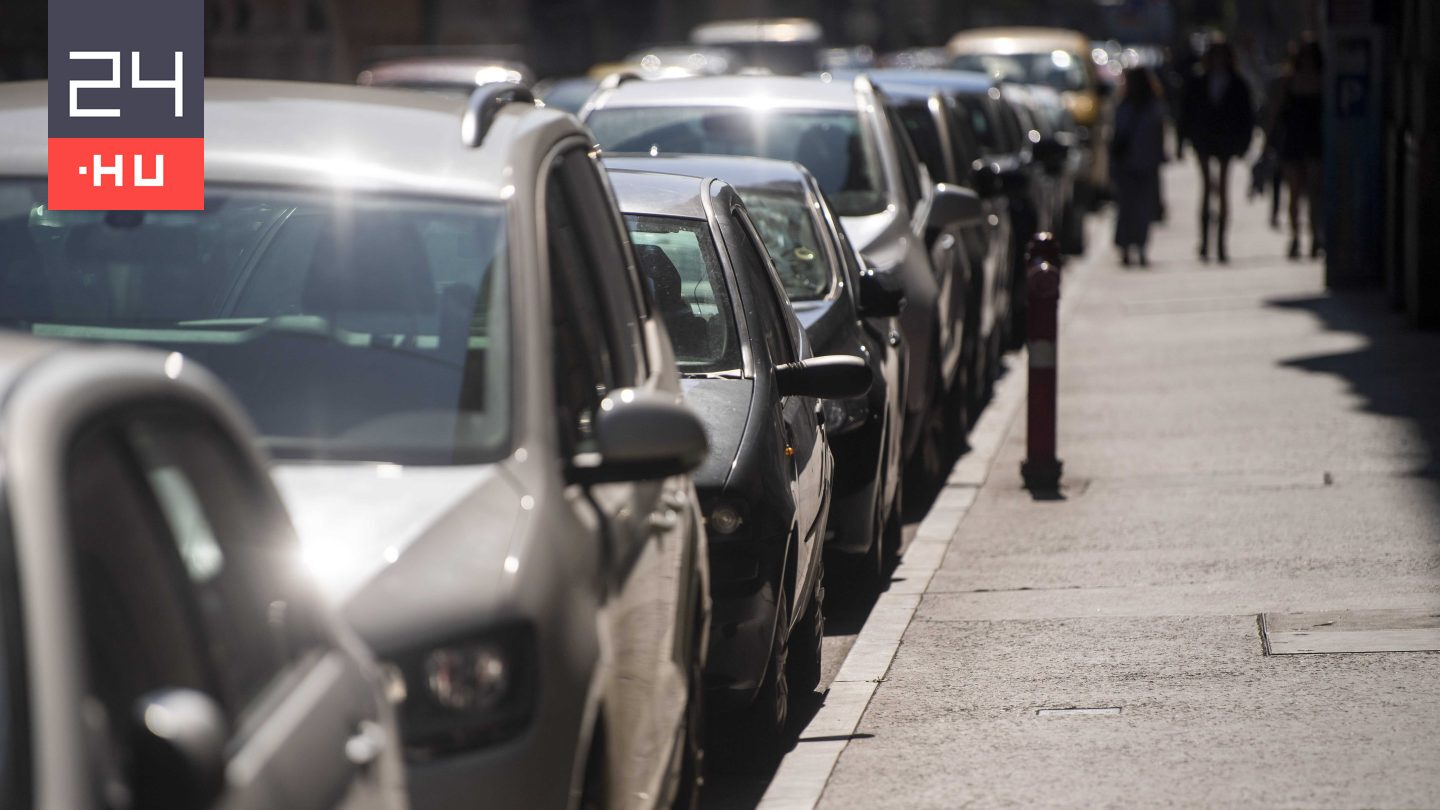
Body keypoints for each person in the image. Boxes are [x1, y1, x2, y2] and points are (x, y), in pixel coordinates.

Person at [1178, 39, 1255, 263]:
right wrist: (1182, 141)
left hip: (1226, 142)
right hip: (1203, 140)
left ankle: (1221, 242)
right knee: (1205, 189)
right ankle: (1204, 242)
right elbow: (1186, 112)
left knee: (1222, 190)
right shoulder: (1198, 81)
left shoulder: (1237, 83)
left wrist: (1244, 144)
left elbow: (1246, 117)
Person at [1273, 39, 1325, 258]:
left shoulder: (1323, 81)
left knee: (1314, 192)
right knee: (1293, 194)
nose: (1306, 61)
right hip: (1293, 139)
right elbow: (1277, 112)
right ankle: (1295, 237)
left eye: (1309, 56)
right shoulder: (1289, 81)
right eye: (1303, 56)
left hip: (1314, 140)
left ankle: (1315, 237)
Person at [1110, 67, 1167, 267]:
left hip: (1145, 163)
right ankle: (1126, 247)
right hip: (1127, 164)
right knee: (1126, 208)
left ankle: (1140, 247)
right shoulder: (1123, 106)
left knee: (1142, 209)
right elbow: (1116, 137)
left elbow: (1159, 135)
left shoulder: (1151, 106)